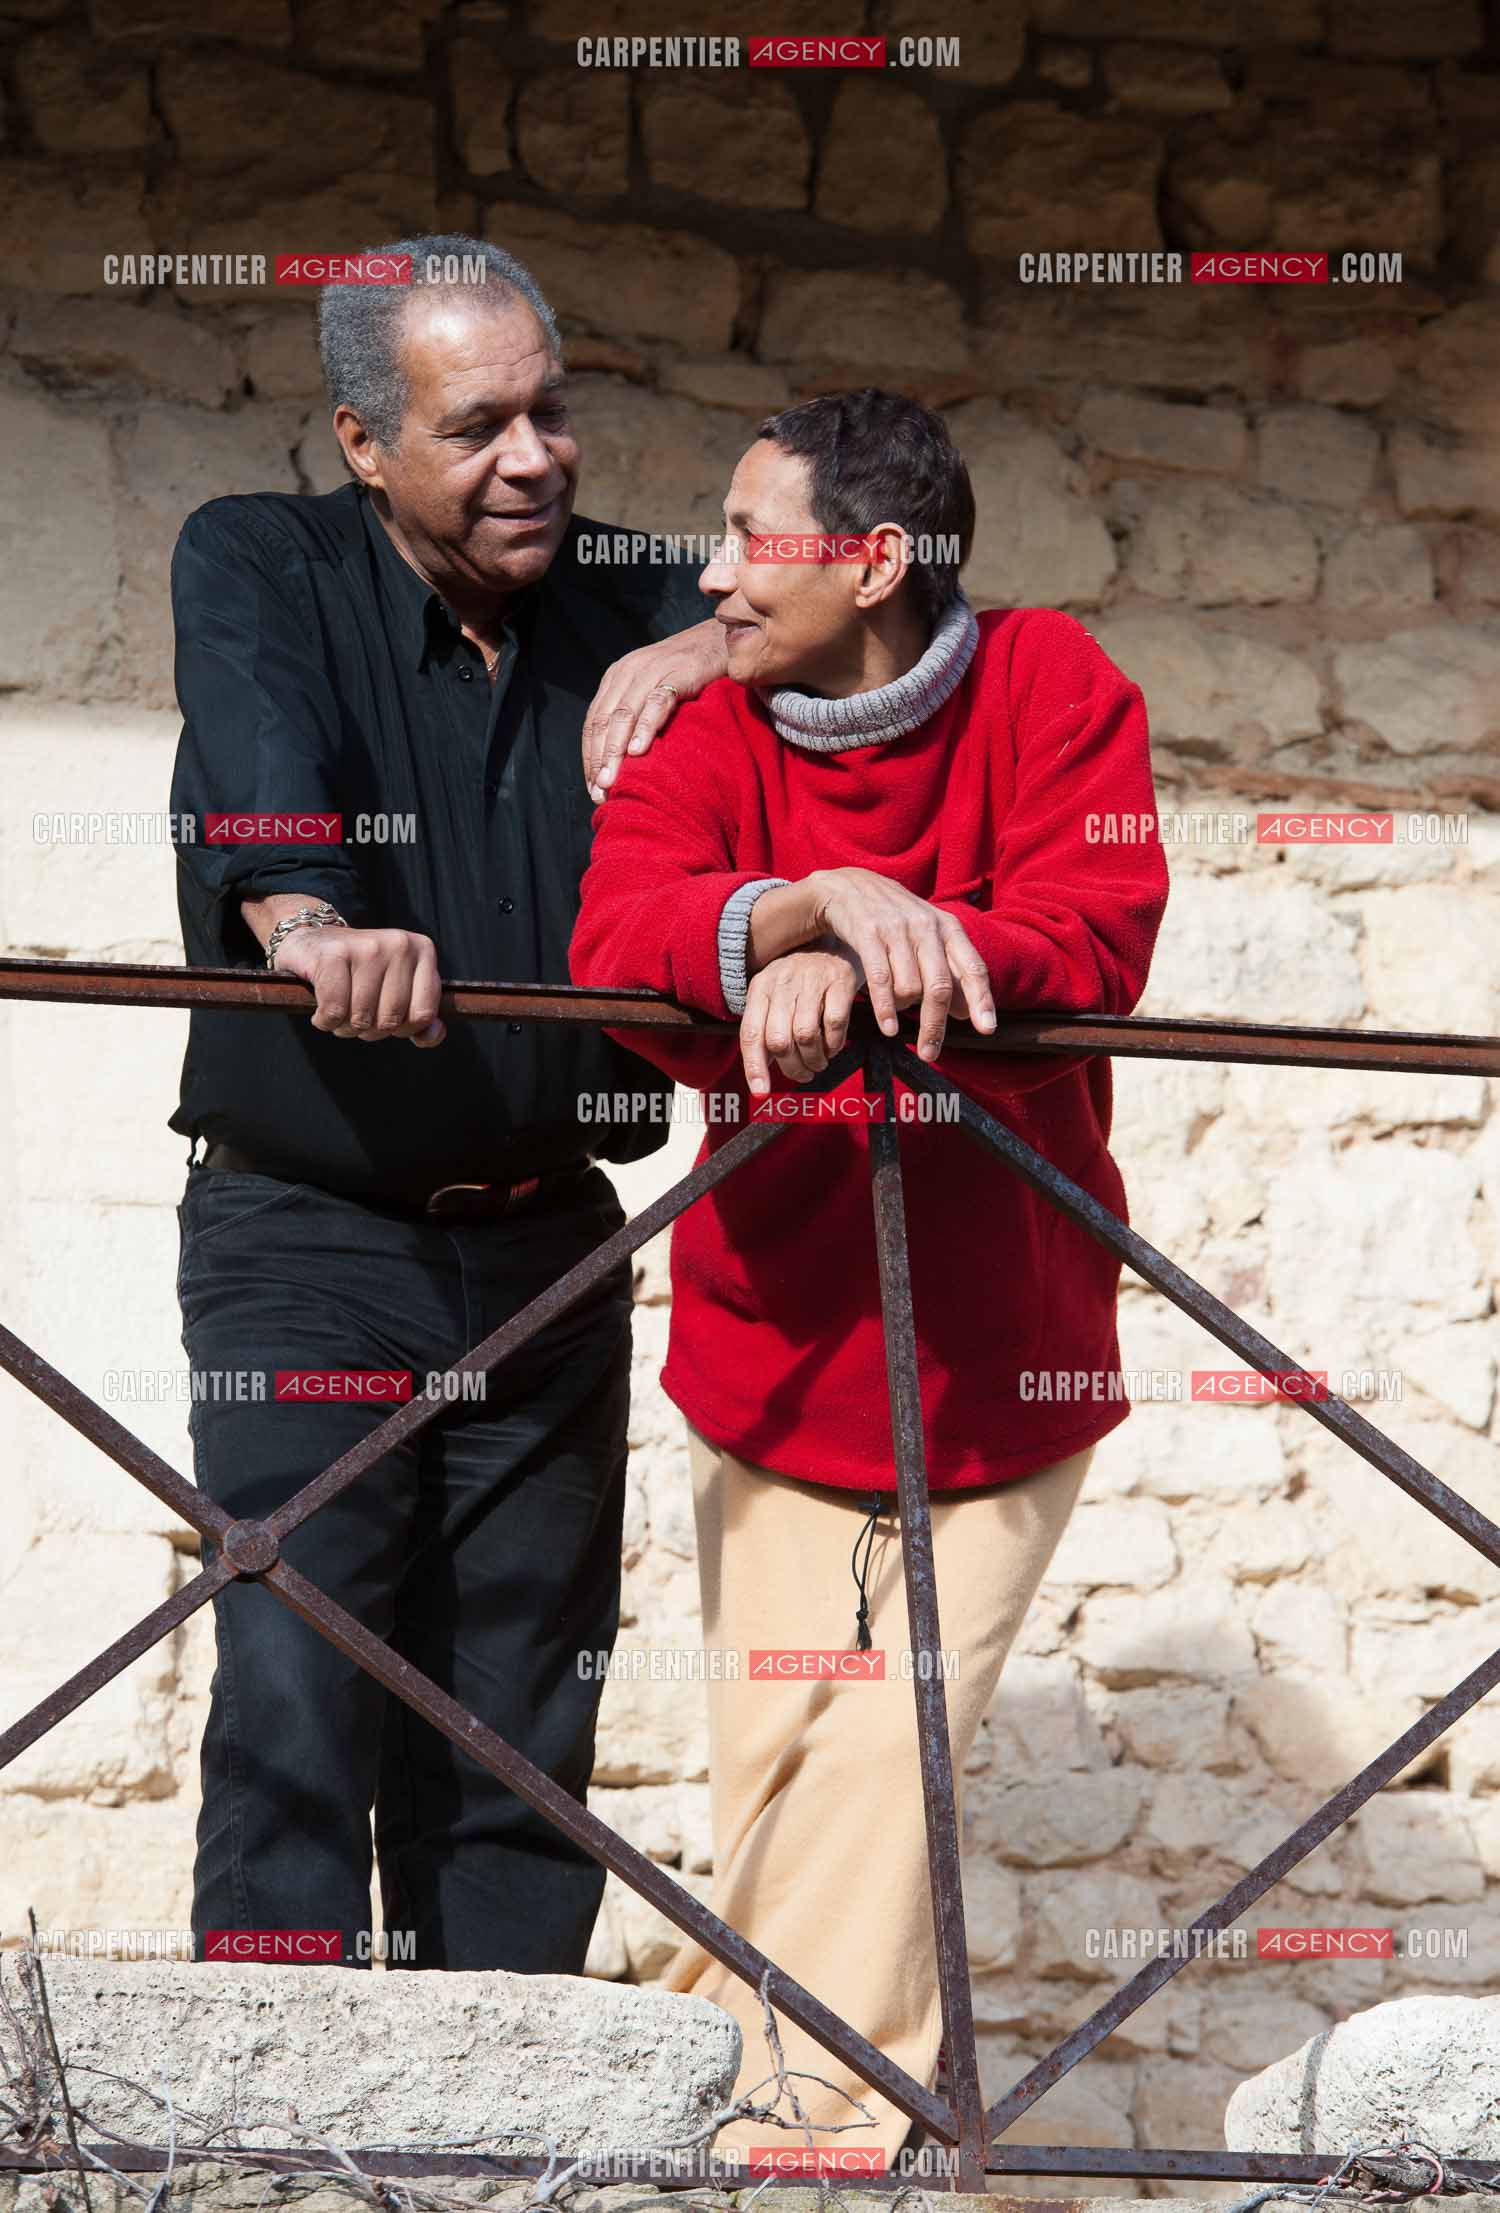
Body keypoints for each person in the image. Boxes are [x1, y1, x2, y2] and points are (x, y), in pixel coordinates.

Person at [568, 389, 1169, 2161]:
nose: (712, 571)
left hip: (1003, 1357)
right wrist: (795, 911)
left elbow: (1094, 935)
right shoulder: (716, 724)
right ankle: (773, 2117)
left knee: (882, 1790)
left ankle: (814, 2154)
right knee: (771, 1787)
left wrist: (898, 958)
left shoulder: (1057, 683)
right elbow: (620, 943)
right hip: (771, 1342)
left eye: (755, 537)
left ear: (878, 558)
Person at [168, 233, 729, 1971]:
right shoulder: (259, 554)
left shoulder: (629, 588)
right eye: (478, 425)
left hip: (554, 1246)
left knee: (520, 1726)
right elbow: (260, 756)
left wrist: (717, 652)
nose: (535, 457)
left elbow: (878, 601)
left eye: (551, 412)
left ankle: (502, 2133)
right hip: (307, 1238)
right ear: (361, 442)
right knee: (299, 1687)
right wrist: (310, 919)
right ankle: (257, 2126)